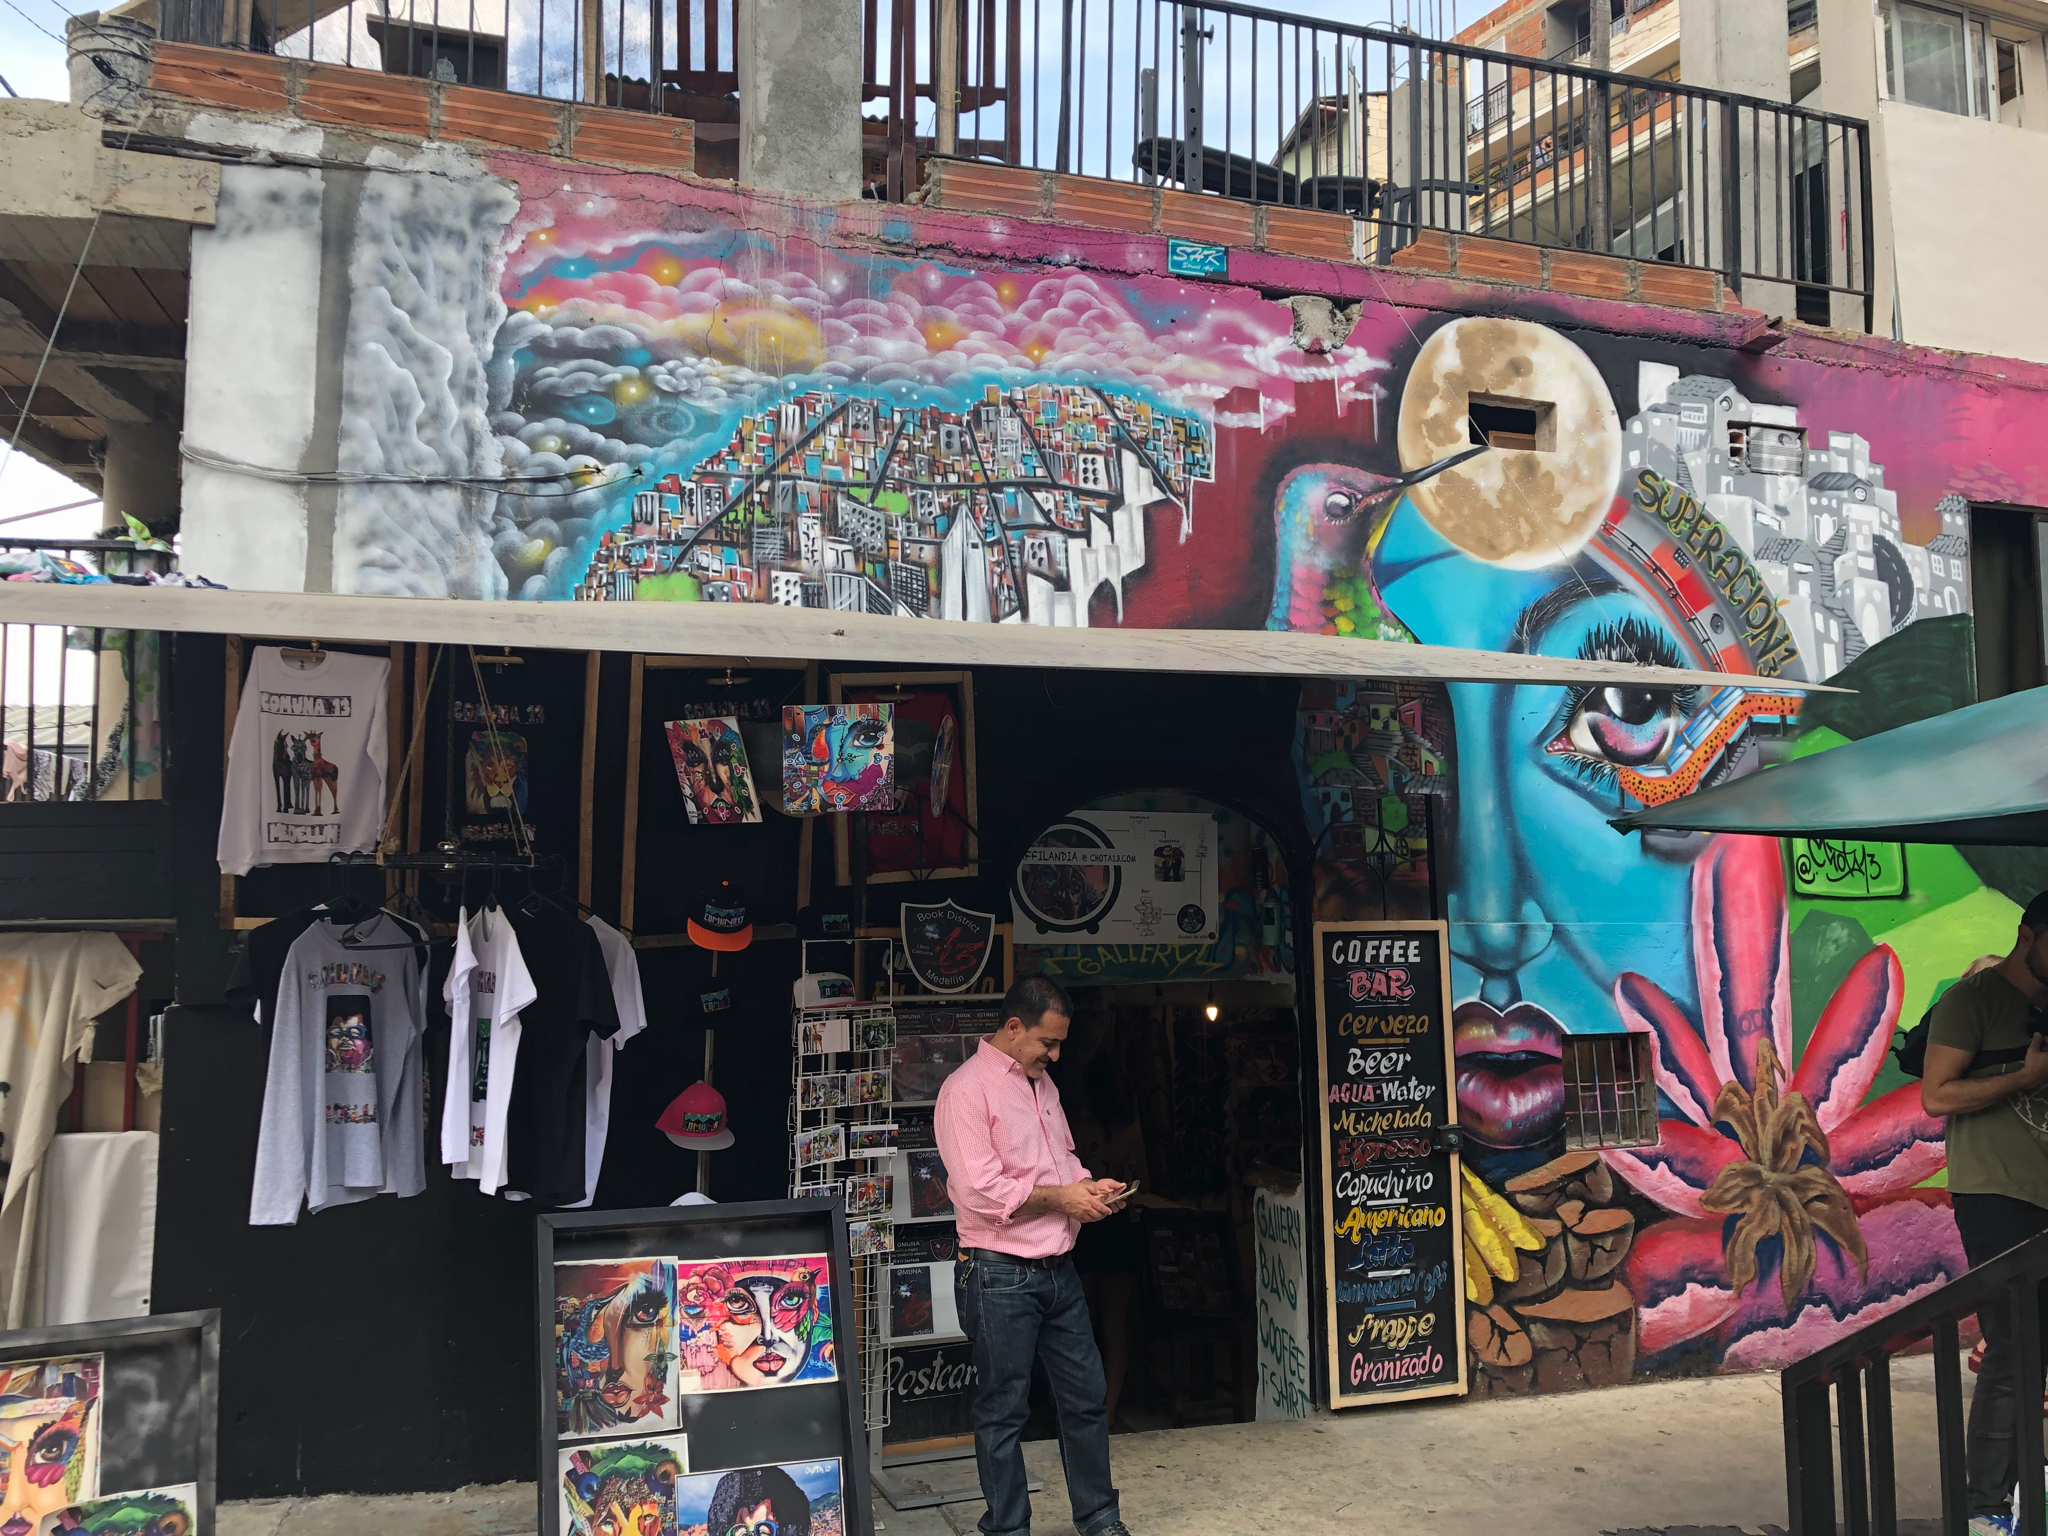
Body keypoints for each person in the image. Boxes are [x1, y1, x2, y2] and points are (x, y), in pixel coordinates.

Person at [935, 976, 1133, 1536]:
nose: (1056, 1055)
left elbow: (1060, 1163)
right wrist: (1062, 1199)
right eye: (1048, 1042)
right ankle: (1008, 1528)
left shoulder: (1043, 1087)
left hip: (1058, 1269)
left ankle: (1100, 1518)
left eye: (1061, 1043)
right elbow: (981, 1191)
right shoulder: (965, 1091)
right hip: (997, 1273)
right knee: (1003, 1411)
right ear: (1014, 1027)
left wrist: (1088, 1188)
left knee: (1086, 1397)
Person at [1920, 891, 2048, 1536]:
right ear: (2029, 935)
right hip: (1996, 1193)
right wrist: (2022, 1078)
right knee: (2014, 1349)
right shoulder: (1973, 1001)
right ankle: (1986, 1506)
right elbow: (1937, 1095)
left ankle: (2028, 1494)